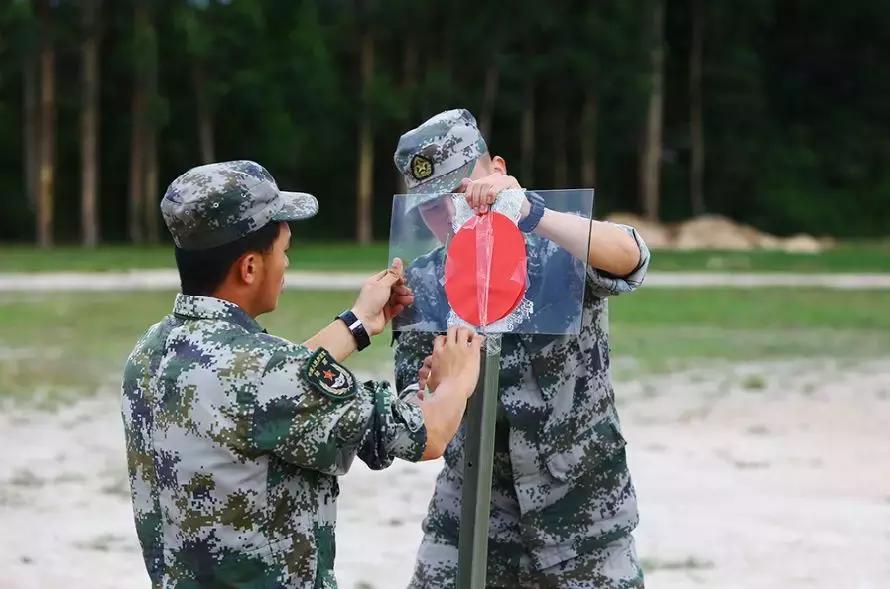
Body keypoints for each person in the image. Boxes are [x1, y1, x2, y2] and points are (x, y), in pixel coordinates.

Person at [120, 159, 482, 588]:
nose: (286, 265)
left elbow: (264, 384)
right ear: (249, 268)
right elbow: (425, 434)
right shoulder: (268, 373)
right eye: (284, 252)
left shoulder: (150, 350)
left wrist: (357, 323)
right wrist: (452, 375)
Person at [391, 110, 651, 588]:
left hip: (582, 512)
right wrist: (429, 386)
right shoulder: (423, 282)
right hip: (472, 513)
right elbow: (413, 404)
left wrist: (531, 212)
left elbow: (632, 258)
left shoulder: (558, 243)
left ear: (497, 172)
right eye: (430, 205)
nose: (449, 213)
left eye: (460, 192)